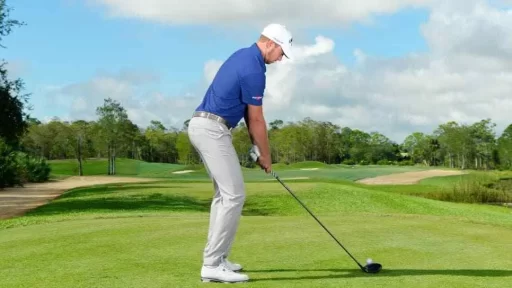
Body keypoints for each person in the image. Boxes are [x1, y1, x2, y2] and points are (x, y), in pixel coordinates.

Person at [187, 23, 293, 283]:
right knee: (234, 195)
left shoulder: (243, 56)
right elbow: (256, 119)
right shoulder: (254, 69)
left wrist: (258, 149)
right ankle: (212, 264)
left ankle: (217, 258)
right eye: (281, 52)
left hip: (207, 126)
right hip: (212, 128)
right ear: (270, 43)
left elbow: (247, 115)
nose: (281, 59)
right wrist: (266, 156)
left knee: (224, 196)